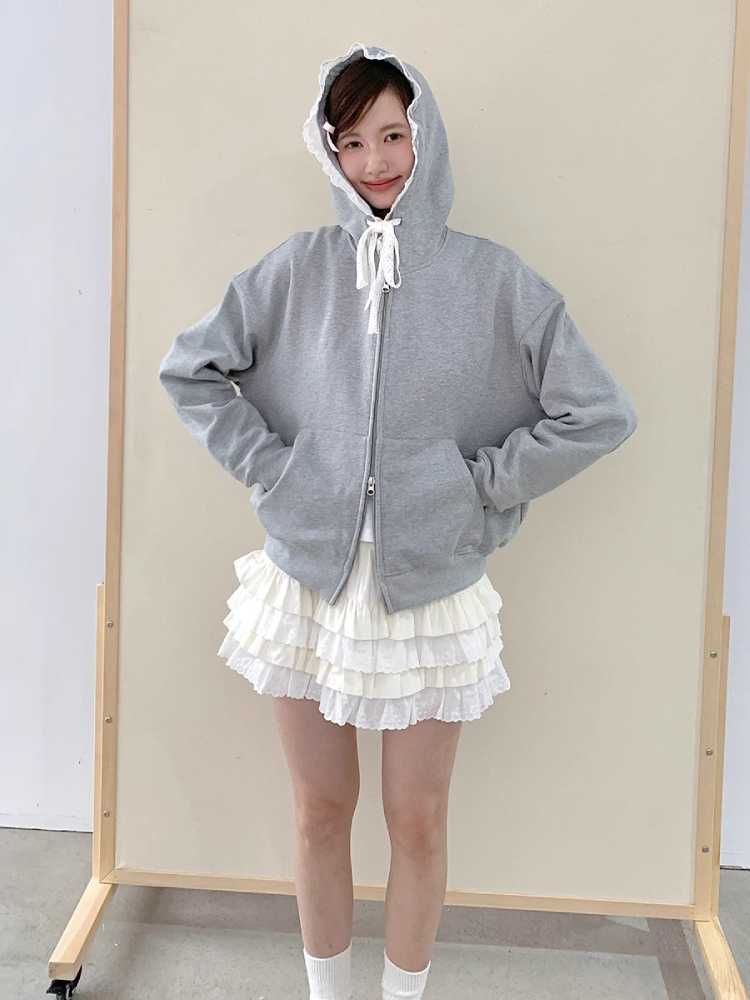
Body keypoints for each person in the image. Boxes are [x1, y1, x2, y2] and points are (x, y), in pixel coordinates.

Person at [158, 41, 638, 1000]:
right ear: (328, 152)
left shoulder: (493, 281)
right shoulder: (298, 269)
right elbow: (191, 372)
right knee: (318, 813)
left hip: (429, 591)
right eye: (351, 143)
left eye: (392, 135)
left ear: (427, 138)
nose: (373, 162)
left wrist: (478, 485)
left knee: (416, 822)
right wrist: (279, 474)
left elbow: (599, 413)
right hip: (307, 583)